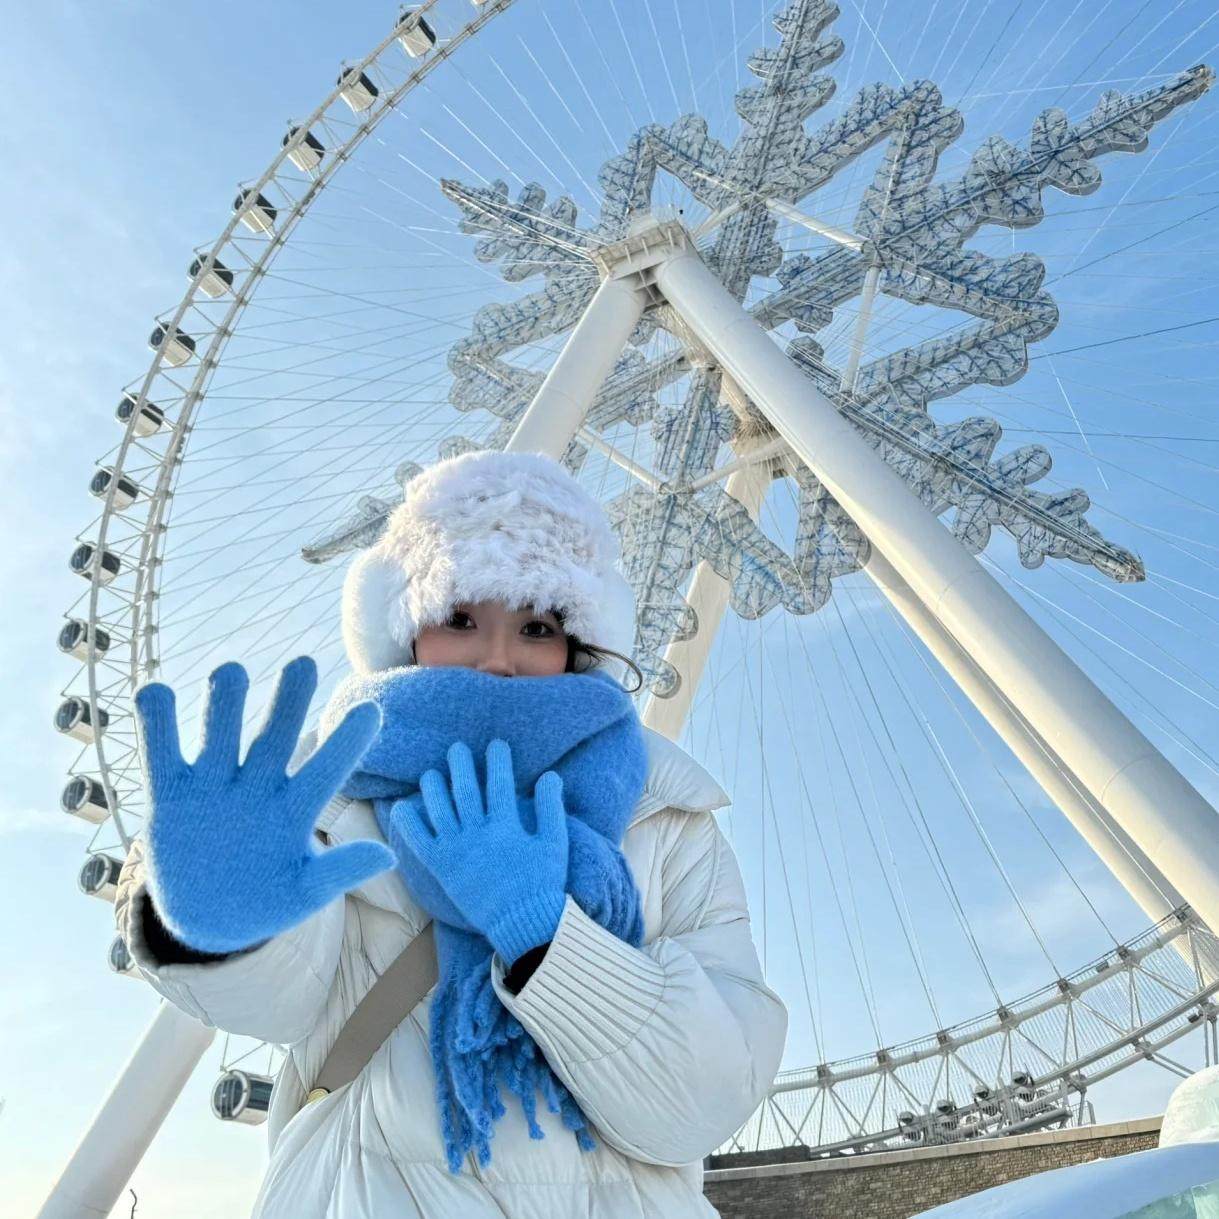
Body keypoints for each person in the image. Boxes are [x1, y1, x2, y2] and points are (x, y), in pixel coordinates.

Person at [114, 449, 788, 1218]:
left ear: (577, 643)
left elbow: (700, 1102)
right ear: (405, 629)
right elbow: (282, 1003)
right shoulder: (334, 796)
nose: (499, 658)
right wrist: (211, 927)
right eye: (462, 618)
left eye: (535, 625)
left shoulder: (666, 819)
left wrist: (546, 940)